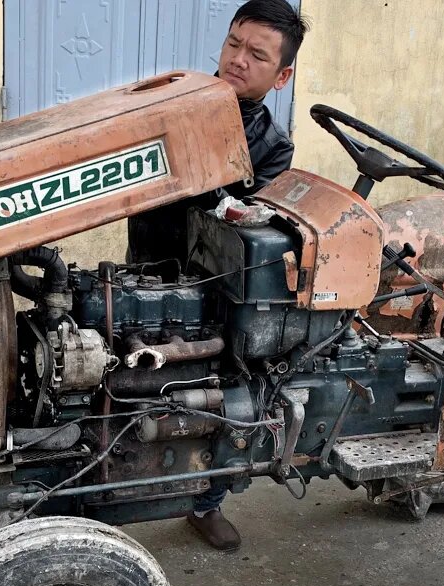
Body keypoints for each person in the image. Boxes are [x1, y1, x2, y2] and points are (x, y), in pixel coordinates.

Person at [126, 0, 309, 552]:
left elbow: (253, 215)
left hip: (216, 285)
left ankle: (205, 501)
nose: (238, 59)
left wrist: (234, 207)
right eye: (234, 43)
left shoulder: (274, 147)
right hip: (148, 265)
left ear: (282, 76)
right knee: (129, 365)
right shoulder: (177, 104)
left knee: (229, 387)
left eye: (257, 54)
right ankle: (114, 481)